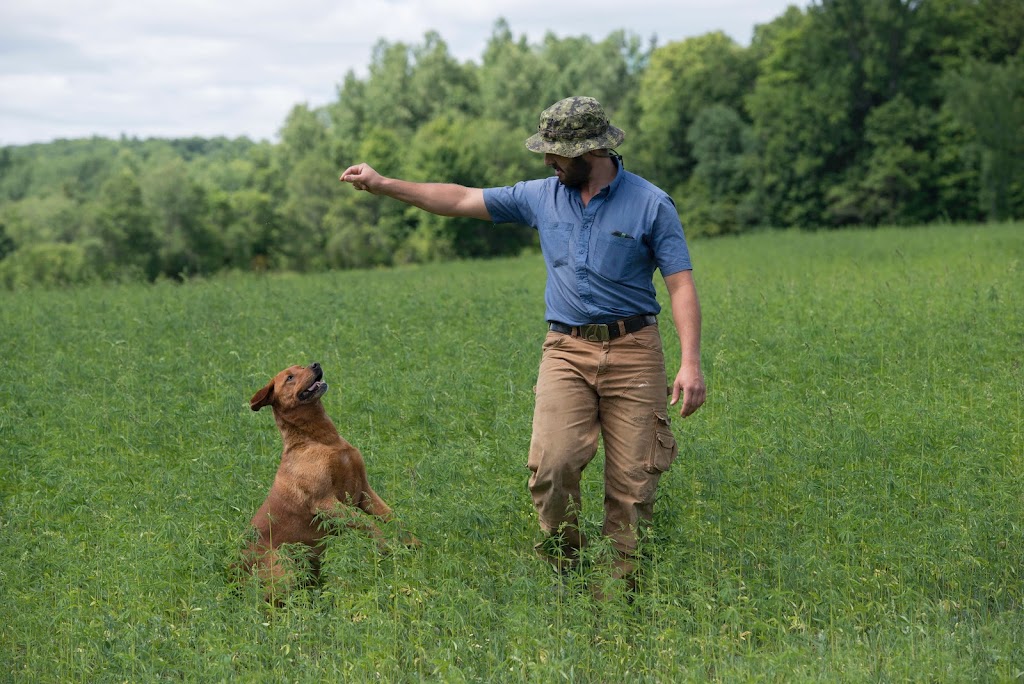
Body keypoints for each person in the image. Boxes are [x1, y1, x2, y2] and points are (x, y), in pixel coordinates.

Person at [340, 96, 706, 594]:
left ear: (590, 150)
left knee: (632, 485)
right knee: (552, 466)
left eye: (557, 153)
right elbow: (460, 198)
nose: (548, 162)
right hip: (566, 351)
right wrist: (383, 185)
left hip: (635, 351)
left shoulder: (650, 203)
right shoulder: (542, 194)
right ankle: (569, 578)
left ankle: (620, 596)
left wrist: (690, 363)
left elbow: (680, 283)